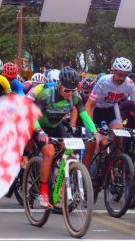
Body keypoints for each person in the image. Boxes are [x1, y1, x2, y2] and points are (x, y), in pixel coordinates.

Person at [30, 66, 100, 208]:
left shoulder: (75, 97)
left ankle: (59, 180)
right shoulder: (47, 95)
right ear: (59, 85)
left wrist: (94, 132)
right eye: (67, 90)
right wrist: (39, 131)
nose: (70, 93)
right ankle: (43, 193)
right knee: (49, 152)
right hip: (39, 126)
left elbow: (84, 115)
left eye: (73, 90)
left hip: (56, 125)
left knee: (70, 149)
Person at [84, 57, 135, 168]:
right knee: (91, 144)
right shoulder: (104, 82)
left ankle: (114, 171)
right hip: (96, 109)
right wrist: (92, 129)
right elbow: (89, 105)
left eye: (125, 75)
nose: (122, 78)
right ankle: (84, 175)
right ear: (113, 71)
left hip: (111, 108)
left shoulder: (129, 84)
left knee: (119, 136)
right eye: (119, 74)